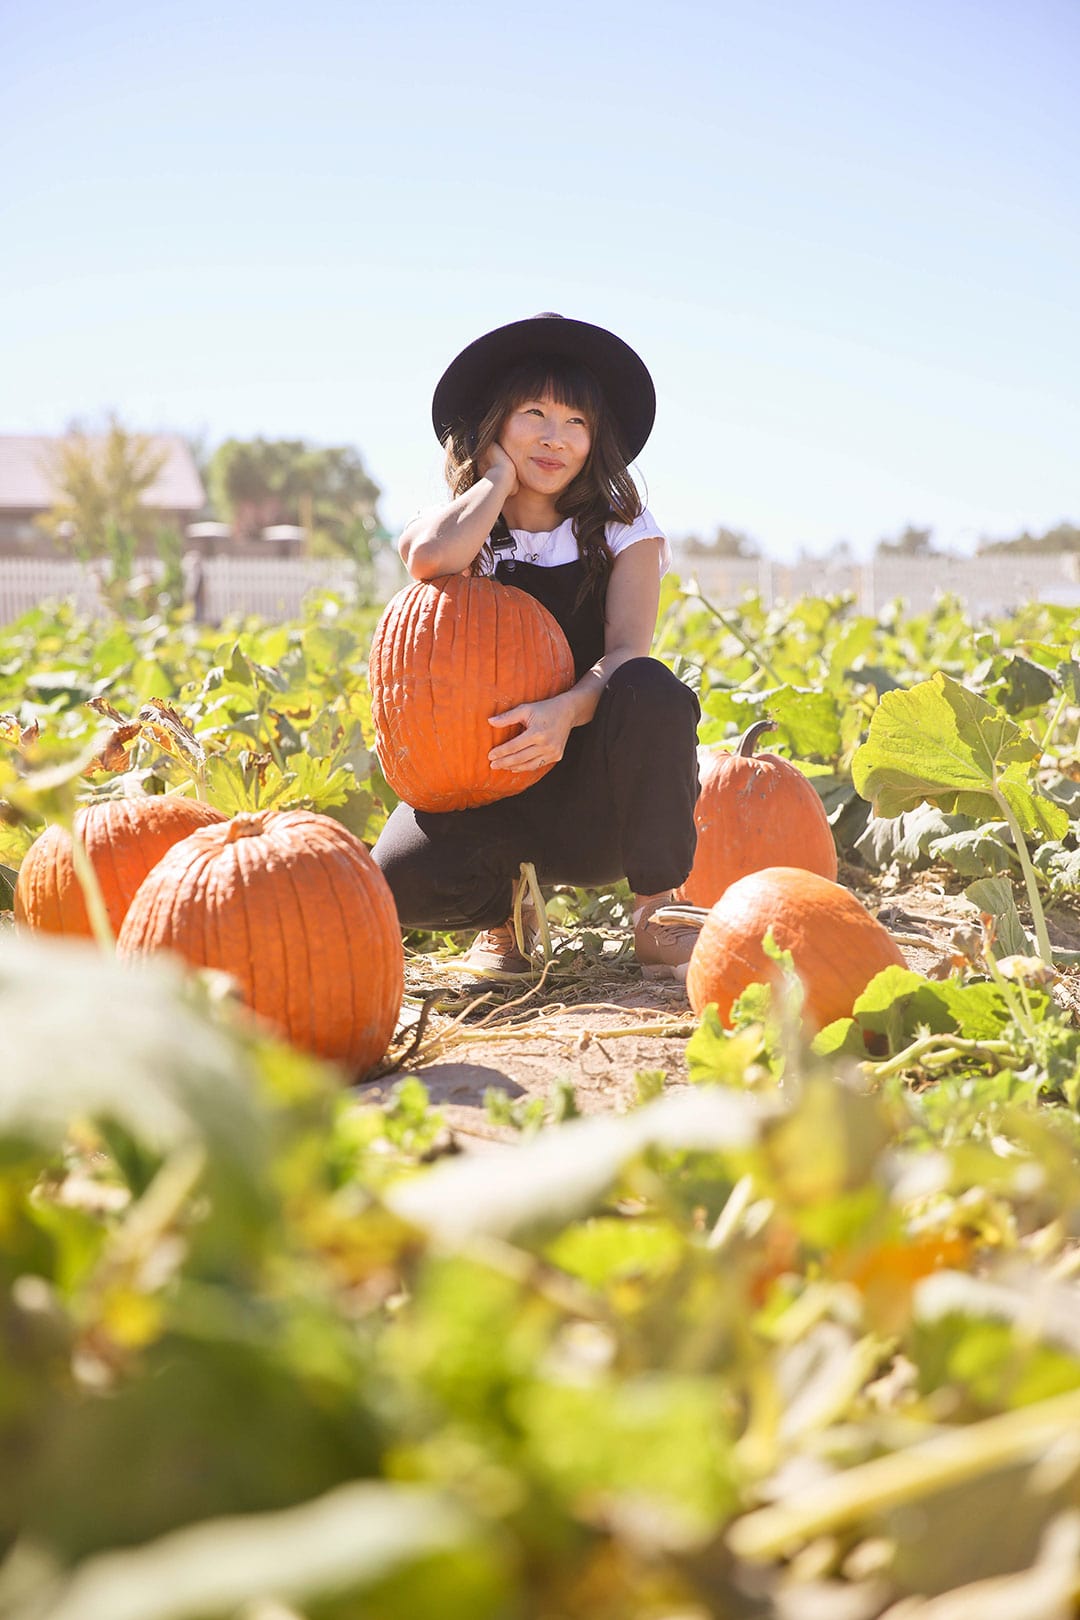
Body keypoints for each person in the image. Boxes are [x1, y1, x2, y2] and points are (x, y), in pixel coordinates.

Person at [371, 312, 703, 979]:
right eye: (534, 415)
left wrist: (566, 712)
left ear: (596, 437)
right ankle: (506, 921)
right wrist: (493, 480)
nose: (556, 439)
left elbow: (626, 650)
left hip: (592, 794)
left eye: (576, 422)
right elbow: (429, 559)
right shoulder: (459, 526)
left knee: (652, 688)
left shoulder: (621, 525)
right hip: (489, 787)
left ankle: (656, 913)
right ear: (494, 423)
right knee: (398, 880)